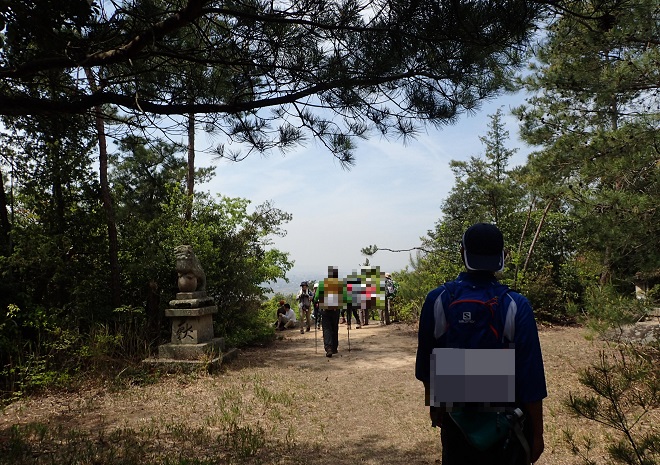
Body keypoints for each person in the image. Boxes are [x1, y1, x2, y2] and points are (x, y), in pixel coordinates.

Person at [415, 223, 547, 465]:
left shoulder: (438, 299)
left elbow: (426, 362)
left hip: (456, 419)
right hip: (505, 424)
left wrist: (436, 406)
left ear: (461, 253)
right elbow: (531, 378)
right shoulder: (515, 304)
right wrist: (537, 434)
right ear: (503, 256)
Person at [314, 266, 345, 357]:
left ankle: (328, 348)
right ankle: (335, 348)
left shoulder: (322, 284)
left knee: (327, 329)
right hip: (336, 310)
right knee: (334, 328)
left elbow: (316, 297)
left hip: (325, 310)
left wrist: (316, 303)